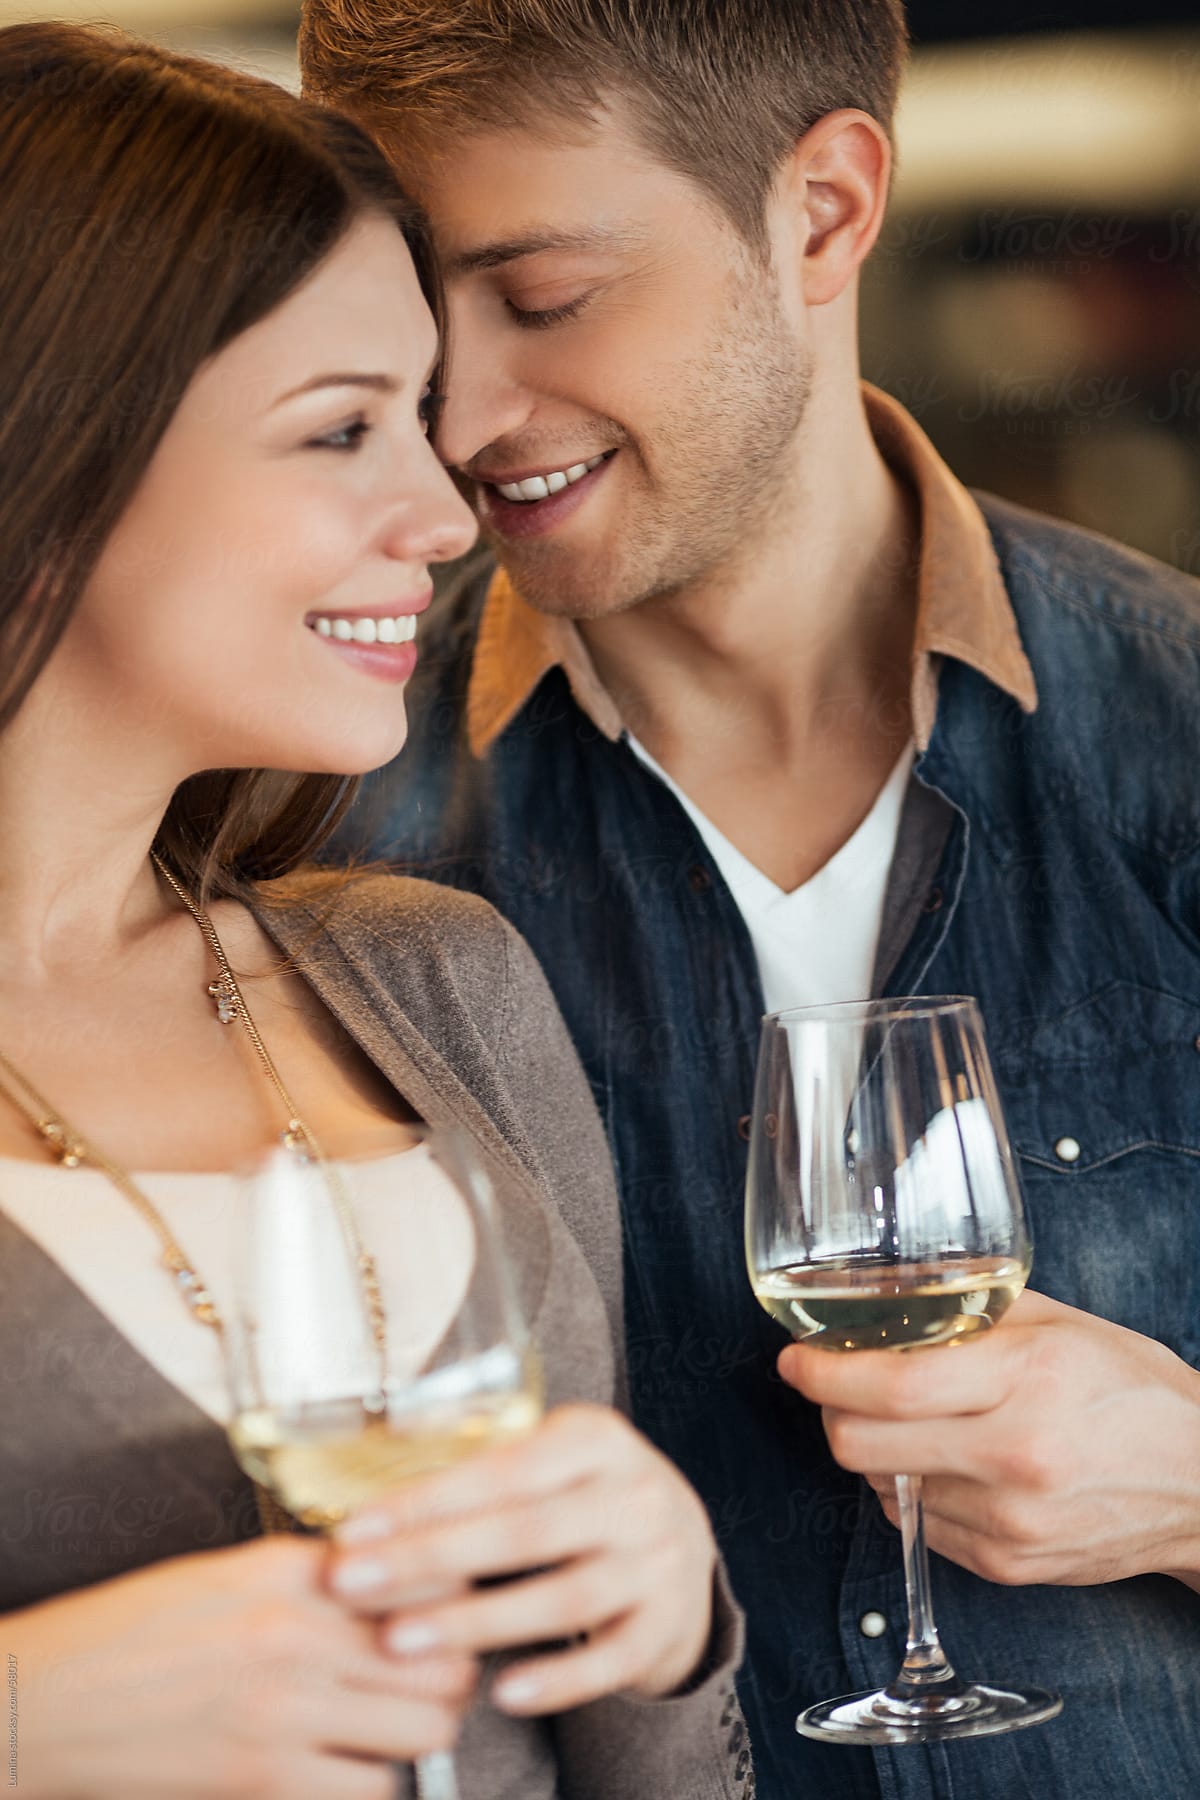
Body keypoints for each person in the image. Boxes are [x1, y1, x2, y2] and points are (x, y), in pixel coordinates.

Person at [297, 2, 1200, 1796]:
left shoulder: (1176, 728)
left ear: (826, 212)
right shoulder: (315, 829)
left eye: (542, 296)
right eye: (414, 310)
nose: (460, 418)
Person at [0, 24, 753, 1800]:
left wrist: (666, 1616)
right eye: (341, 427)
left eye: (417, 420)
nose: (441, 508)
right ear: (44, 461)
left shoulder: (437, 978)